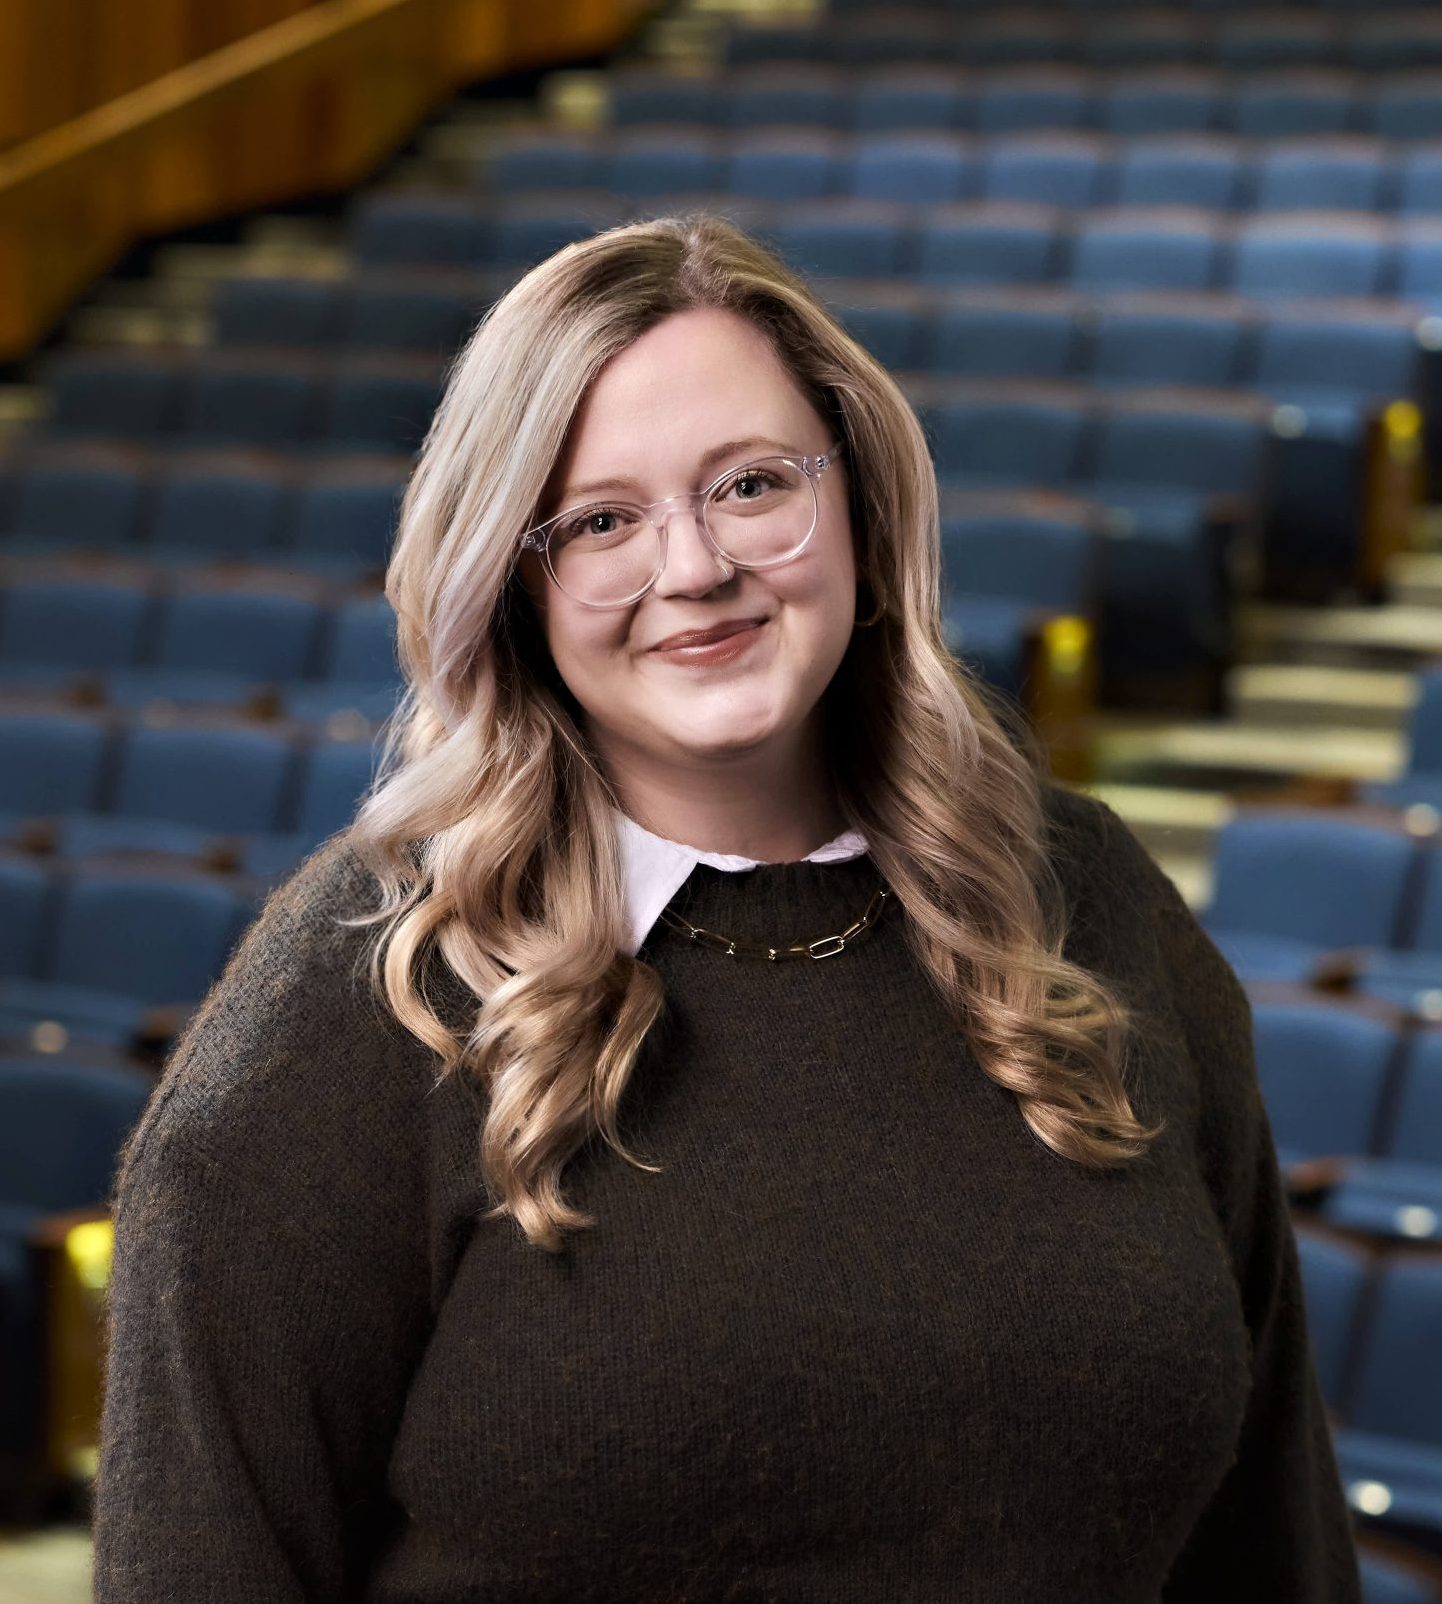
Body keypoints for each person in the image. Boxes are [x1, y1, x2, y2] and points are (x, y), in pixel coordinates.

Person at [92, 211, 1363, 1602]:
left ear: (859, 500)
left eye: (752, 485)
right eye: (600, 521)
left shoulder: (1084, 900)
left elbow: (1273, 1537)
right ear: (510, 583)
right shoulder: (360, 1001)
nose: (693, 567)